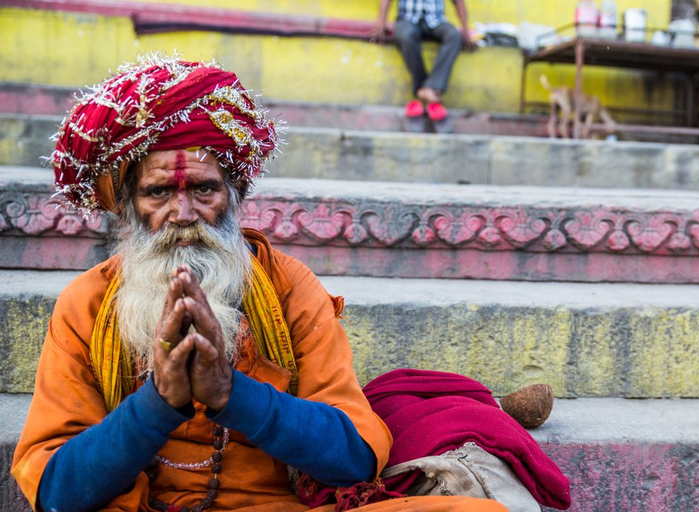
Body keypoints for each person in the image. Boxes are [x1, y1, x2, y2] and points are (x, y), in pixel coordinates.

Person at [10, 54, 508, 512]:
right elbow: (57, 491)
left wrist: (229, 392)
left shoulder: (288, 288)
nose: (184, 215)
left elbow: (355, 460)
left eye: (204, 188)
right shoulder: (88, 305)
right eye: (158, 192)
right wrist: (159, 402)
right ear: (127, 207)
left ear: (234, 194)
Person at [372, 0, 477, 132]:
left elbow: (458, 2)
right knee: (407, 35)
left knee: (453, 36)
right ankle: (427, 89)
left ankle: (429, 87)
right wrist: (381, 22)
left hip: (436, 21)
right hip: (407, 19)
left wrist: (465, 30)